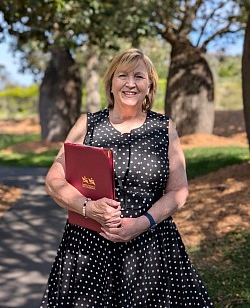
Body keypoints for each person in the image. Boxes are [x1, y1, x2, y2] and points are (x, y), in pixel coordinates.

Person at [40, 48, 214, 307]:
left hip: (151, 247)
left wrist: (143, 223)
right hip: (89, 246)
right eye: (123, 75)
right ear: (111, 83)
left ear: (149, 86)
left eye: (139, 77)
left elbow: (178, 190)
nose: (130, 83)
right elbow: (54, 180)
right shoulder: (87, 124)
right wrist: (88, 208)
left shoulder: (164, 128)